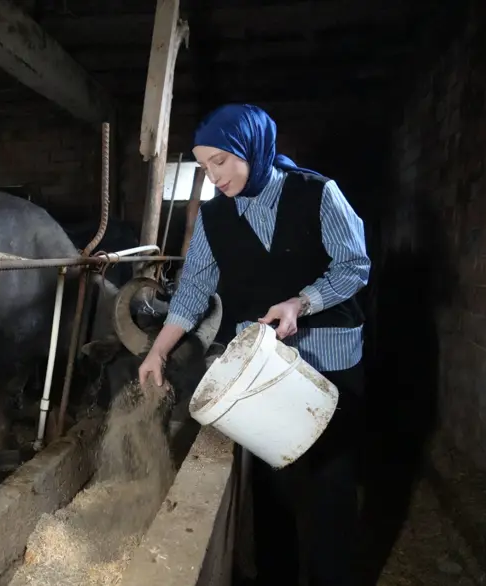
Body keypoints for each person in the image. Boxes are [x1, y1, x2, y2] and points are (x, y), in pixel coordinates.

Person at [138, 104, 371, 586]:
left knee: (328, 484)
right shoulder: (214, 216)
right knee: (272, 487)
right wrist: (158, 350)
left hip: (327, 360)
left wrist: (302, 302)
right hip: (259, 370)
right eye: (204, 166)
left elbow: (354, 265)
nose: (213, 176)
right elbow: (193, 289)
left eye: (220, 160)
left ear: (252, 148)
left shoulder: (317, 193)